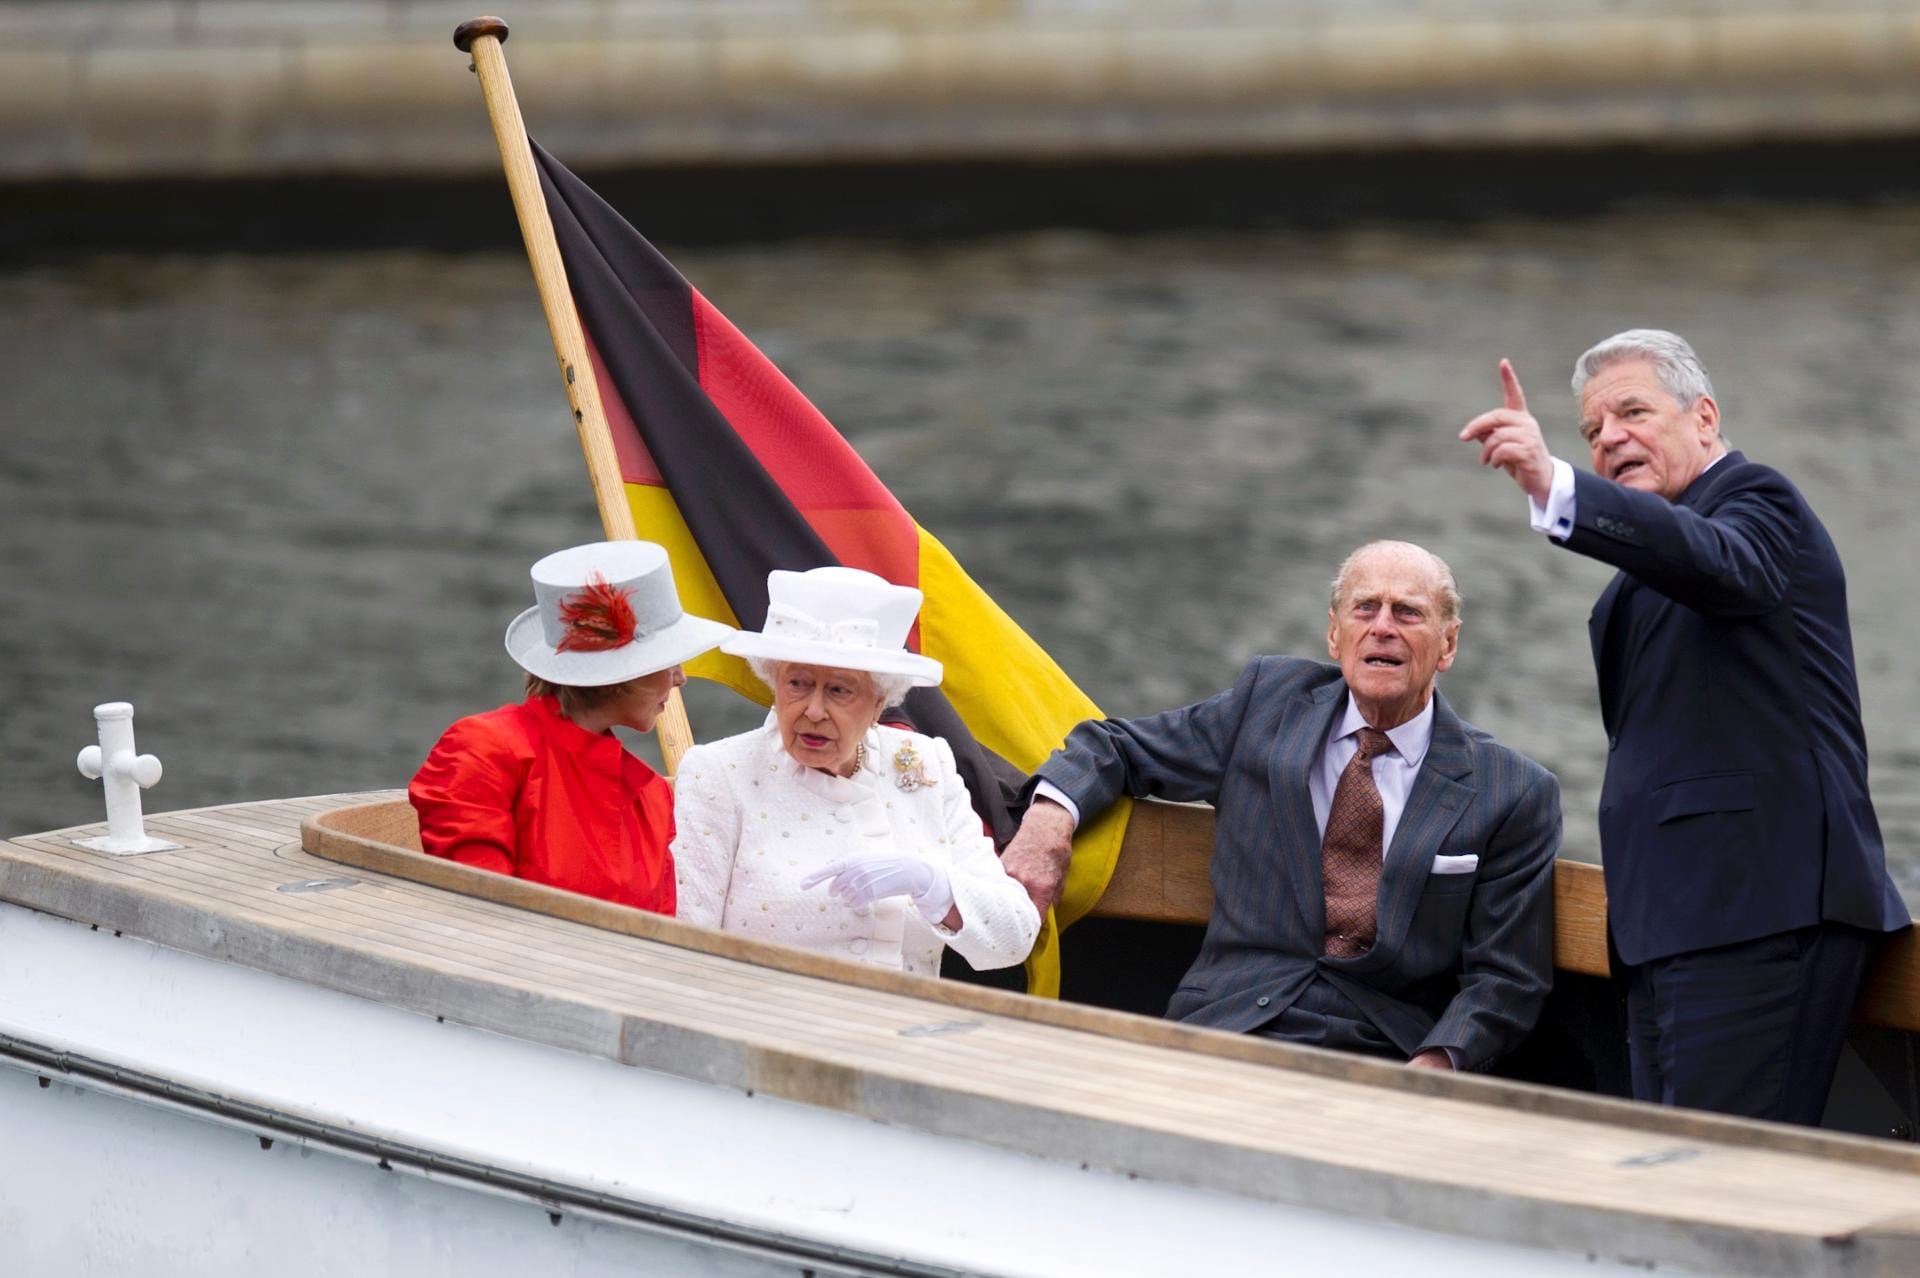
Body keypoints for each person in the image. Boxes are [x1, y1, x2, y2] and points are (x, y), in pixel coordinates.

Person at [1458, 328, 1910, 1121]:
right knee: (1667, 1171)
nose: (1610, 440)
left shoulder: (1760, 503)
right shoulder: (1643, 573)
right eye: (1592, 433)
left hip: (1759, 914)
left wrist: (1555, 485)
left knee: (1725, 1176)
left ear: (1705, 418)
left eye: (1633, 411)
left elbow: (1716, 561)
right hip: (1667, 926)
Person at [1001, 541, 1560, 1071]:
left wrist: (1436, 1065)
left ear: (1449, 644)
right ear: (1335, 634)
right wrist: (1047, 823)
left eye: (1408, 613)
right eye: (1365, 608)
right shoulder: (1267, 702)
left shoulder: (1511, 790)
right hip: (1226, 1023)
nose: (1383, 627)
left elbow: (1505, 977)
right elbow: (1117, 747)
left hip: (1386, 1052)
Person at [670, 566, 1040, 975]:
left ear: (881, 701)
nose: (812, 710)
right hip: (771, 1028)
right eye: (797, 683)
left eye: (839, 690)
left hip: (908, 1030)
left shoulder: (925, 762)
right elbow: (687, 950)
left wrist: (933, 885)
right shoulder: (720, 772)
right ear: (773, 679)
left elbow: (1015, 939)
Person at [409, 540, 733, 913]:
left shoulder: (654, 798)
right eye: (670, 661)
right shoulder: (484, 749)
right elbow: (478, 914)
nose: (680, 678)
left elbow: (662, 937)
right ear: (622, 674)